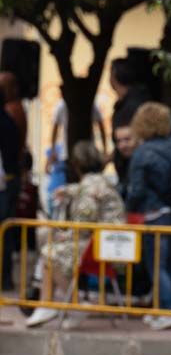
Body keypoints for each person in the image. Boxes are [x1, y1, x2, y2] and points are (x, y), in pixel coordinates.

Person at [26, 141, 125, 328]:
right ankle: (46, 303)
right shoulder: (98, 182)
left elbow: (84, 222)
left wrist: (67, 234)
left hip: (103, 245)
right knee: (50, 251)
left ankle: (74, 304)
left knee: (51, 253)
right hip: (111, 242)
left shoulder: (89, 188)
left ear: (77, 165)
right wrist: (68, 191)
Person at [125, 102, 171, 330]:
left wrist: (128, 206)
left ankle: (168, 310)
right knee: (168, 262)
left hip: (153, 214)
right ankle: (161, 309)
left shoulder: (143, 152)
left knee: (156, 265)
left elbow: (137, 190)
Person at [46, 92, 107, 173]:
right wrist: (53, 150)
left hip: (87, 152)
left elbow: (101, 126)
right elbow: (55, 129)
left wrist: (104, 150)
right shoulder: (62, 106)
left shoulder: (91, 105)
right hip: (69, 153)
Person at [0, 85, 21, 292]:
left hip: (4, 185)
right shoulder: (9, 120)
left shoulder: (6, 122)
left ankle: (4, 278)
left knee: (4, 234)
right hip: (8, 183)